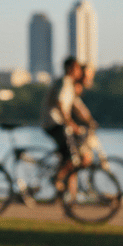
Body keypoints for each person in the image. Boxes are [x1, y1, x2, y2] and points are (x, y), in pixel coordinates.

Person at [40, 57, 84, 193]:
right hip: (55, 123)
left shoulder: (65, 83)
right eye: (78, 69)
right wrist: (71, 124)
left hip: (53, 123)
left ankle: (64, 192)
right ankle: (57, 180)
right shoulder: (65, 82)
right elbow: (60, 104)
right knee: (71, 156)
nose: (79, 72)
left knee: (65, 155)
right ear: (71, 69)